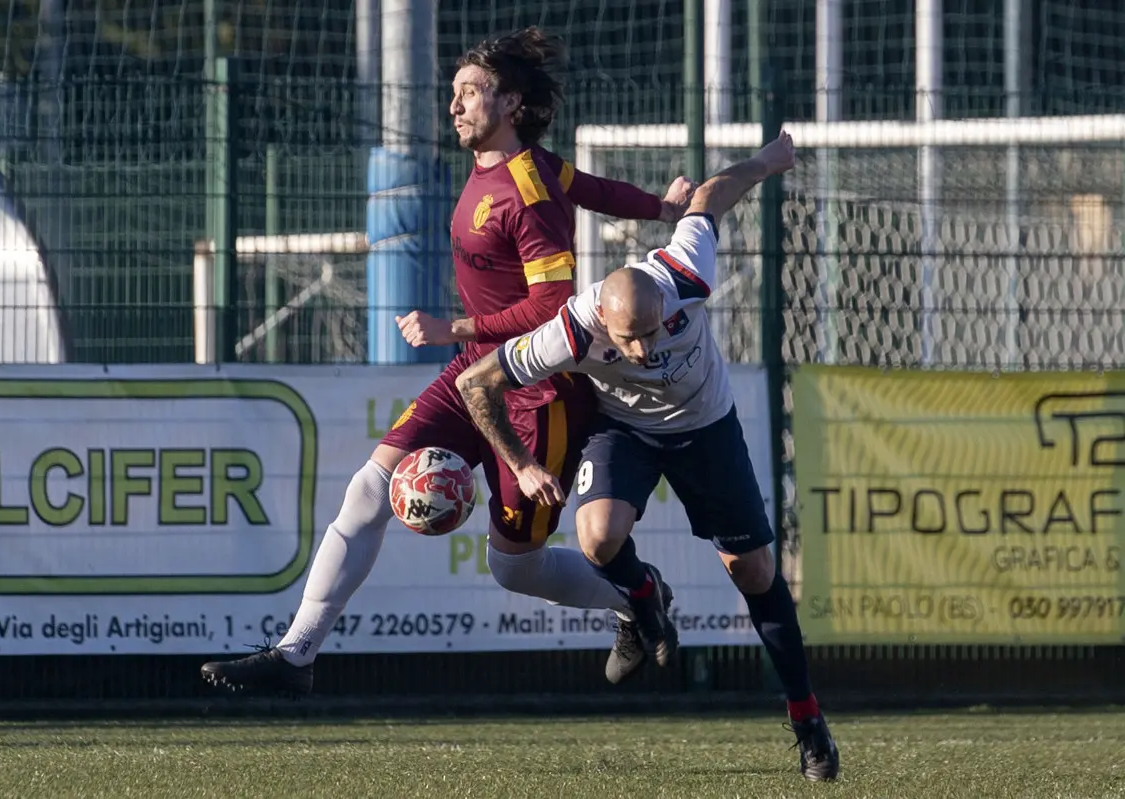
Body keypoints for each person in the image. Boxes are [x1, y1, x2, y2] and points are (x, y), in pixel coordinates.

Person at [200, 27, 695, 695]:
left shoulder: (526, 188)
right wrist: (657, 206)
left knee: (514, 569)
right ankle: (296, 655)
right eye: (454, 93)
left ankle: (637, 595)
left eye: (470, 93)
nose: (455, 106)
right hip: (473, 374)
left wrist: (453, 324)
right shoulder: (523, 166)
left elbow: (553, 308)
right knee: (369, 489)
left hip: (537, 391)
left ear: (511, 102)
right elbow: (593, 187)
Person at [454, 131, 841, 782]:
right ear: (602, 316)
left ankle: (806, 716)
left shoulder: (687, 273)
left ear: (669, 308)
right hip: (625, 430)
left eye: (652, 333)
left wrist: (767, 162)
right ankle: (643, 598)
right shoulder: (572, 327)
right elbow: (476, 383)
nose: (641, 352)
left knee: (753, 571)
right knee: (598, 536)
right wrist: (521, 462)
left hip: (705, 428)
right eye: (626, 340)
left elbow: (712, 196)